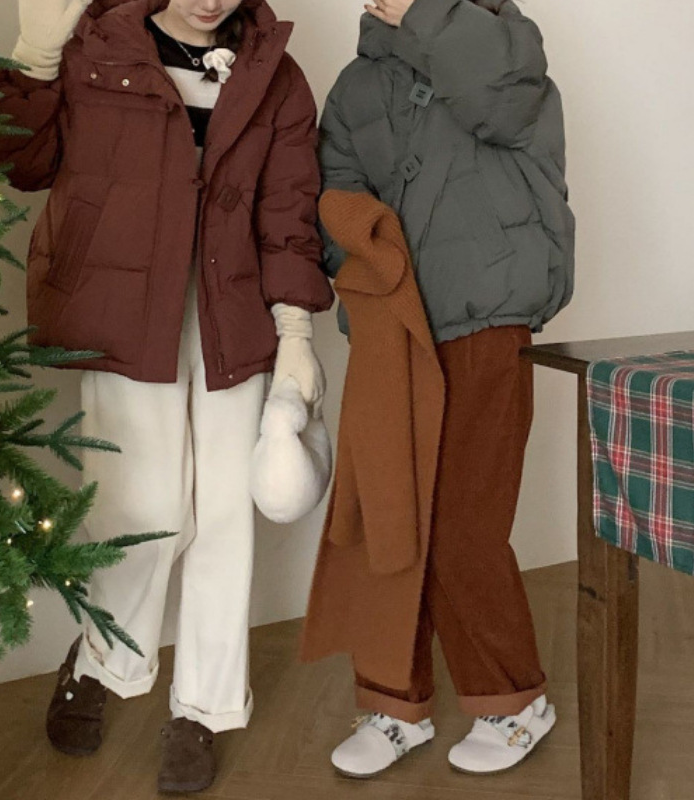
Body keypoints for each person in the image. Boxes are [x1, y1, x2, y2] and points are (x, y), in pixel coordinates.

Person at [0, 0, 333, 792]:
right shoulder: (96, 49)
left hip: (230, 315)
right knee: (139, 512)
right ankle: (101, 659)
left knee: (226, 516)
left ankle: (202, 707)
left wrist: (296, 330)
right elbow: (14, 157)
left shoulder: (277, 76)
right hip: (123, 313)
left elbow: (288, 214)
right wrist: (34, 56)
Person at [301, 0, 575, 779]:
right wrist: (360, 244)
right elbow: (333, 197)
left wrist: (427, 15)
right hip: (394, 324)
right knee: (387, 514)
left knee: (463, 523)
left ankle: (513, 700)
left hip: (488, 311)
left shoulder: (505, 40)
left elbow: (499, 101)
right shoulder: (355, 86)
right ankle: (393, 706)